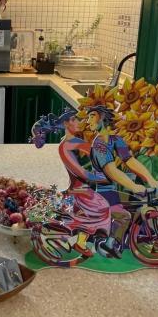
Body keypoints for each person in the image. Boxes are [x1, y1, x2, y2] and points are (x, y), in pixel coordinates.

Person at [31, 109, 111, 258]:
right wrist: (101, 177)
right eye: (75, 119)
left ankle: (81, 241)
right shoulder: (65, 146)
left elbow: (95, 153)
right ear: (66, 123)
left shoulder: (77, 141)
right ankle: (77, 242)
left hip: (85, 187)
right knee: (102, 207)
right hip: (78, 189)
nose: (79, 122)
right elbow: (80, 172)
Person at [86, 105, 158, 258]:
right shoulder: (98, 145)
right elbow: (111, 171)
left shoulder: (115, 140)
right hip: (101, 191)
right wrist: (133, 186)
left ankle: (132, 238)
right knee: (124, 216)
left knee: (138, 202)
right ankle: (109, 244)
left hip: (111, 190)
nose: (88, 121)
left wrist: (151, 179)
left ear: (102, 119)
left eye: (92, 116)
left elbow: (130, 160)